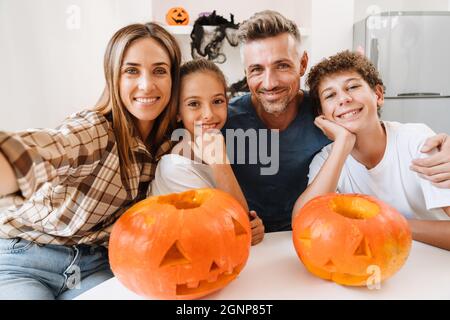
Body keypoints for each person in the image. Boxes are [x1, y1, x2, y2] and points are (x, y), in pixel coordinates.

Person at [224, 10, 450, 233]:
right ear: (246, 72)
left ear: (302, 63)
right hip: (251, 239)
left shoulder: (326, 113)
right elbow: (191, 155)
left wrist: (438, 144)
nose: (269, 82)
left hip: (318, 237)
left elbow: (374, 125)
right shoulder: (225, 120)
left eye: (282, 65)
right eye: (256, 69)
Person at [0, 22, 181, 299]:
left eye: (160, 71)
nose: (147, 84)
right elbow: (41, 150)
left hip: (95, 264)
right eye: (131, 71)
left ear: (173, 80)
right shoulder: (94, 130)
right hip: (26, 255)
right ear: (113, 78)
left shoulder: (172, 145)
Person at [292, 51, 450, 250]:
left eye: (353, 87)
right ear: (322, 115)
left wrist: (390, 224)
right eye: (330, 95)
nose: (344, 99)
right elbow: (302, 224)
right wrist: (342, 143)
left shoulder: (416, 141)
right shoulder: (326, 160)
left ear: (378, 95)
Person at [151, 59, 264, 245]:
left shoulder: (214, 146)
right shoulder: (175, 167)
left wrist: (255, 225)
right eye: (194, 104)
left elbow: (244, 225)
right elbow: (237, 230)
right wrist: (220, 164)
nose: (209, 114)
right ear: (177, 112)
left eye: (217, 101)